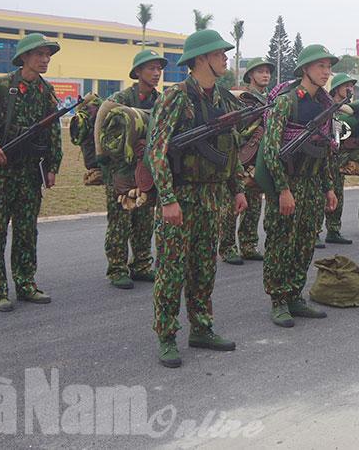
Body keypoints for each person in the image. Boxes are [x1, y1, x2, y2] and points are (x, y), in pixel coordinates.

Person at [146, 29, 247, 367]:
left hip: (212, 195)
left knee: (204, 268)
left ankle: (201, 327)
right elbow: (156, 150)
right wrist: (167, 199)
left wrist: (237, 188)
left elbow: (230, 147)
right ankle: (166, 335)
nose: (225, 58)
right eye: (220, 54)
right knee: (172, 270)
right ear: (202, 58)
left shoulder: (222, 97)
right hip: (182, 194)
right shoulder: (176, 96)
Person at [0, 33, 63, 311]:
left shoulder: (46, 91)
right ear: (24, 57)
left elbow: (54, 132)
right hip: (1, 173)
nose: (45, 59)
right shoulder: (0, 87)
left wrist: (53, 166)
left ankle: (26, 284)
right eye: (39, 54)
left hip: (30, 174)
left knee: (27, 232)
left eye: (48, 55)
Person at [261, 44, 339, 326]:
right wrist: (283, 189)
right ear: (305, 69)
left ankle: (295, 295)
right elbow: (270, 150)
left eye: (329, 67)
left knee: (306, 243)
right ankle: (279, 300)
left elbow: (327, 149)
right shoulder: (286, 101)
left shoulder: (325, 105)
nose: (326, 72)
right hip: (289, 183)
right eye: (321, 66)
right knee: (281, 243)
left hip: (312, 184)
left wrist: (329, 187)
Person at [104, 49, 168, 288]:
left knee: (144, 219)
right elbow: (107, 137)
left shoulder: (162, 102)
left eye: (158, 69)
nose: (156, 73)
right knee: (120, 220)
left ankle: (141, 264)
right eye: (151, 68)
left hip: (147, 169)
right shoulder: (120, 101)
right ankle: (117, 268)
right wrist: (131, 145)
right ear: (137, 72)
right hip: (122, 170)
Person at [219, 57, 274, 265]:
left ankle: (249, 244)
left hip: (259, 157)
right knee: (234, 203)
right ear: (250, 75)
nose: (265, 75)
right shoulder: (241, 99)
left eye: (267, 71)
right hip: (241, 155)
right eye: (260, 71)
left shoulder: (271, 99)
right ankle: (227, 247)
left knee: (253, 204)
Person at [322, 72, 358, 247]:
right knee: (319, 195)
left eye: (352, 86)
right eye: (347, 86)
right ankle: (313, 231)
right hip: (323, 158)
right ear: (337, 88)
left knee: (337, 194)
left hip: (340, 158)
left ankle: (333, 229)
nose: (350, 89)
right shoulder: (326, 106)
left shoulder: (350, 110)